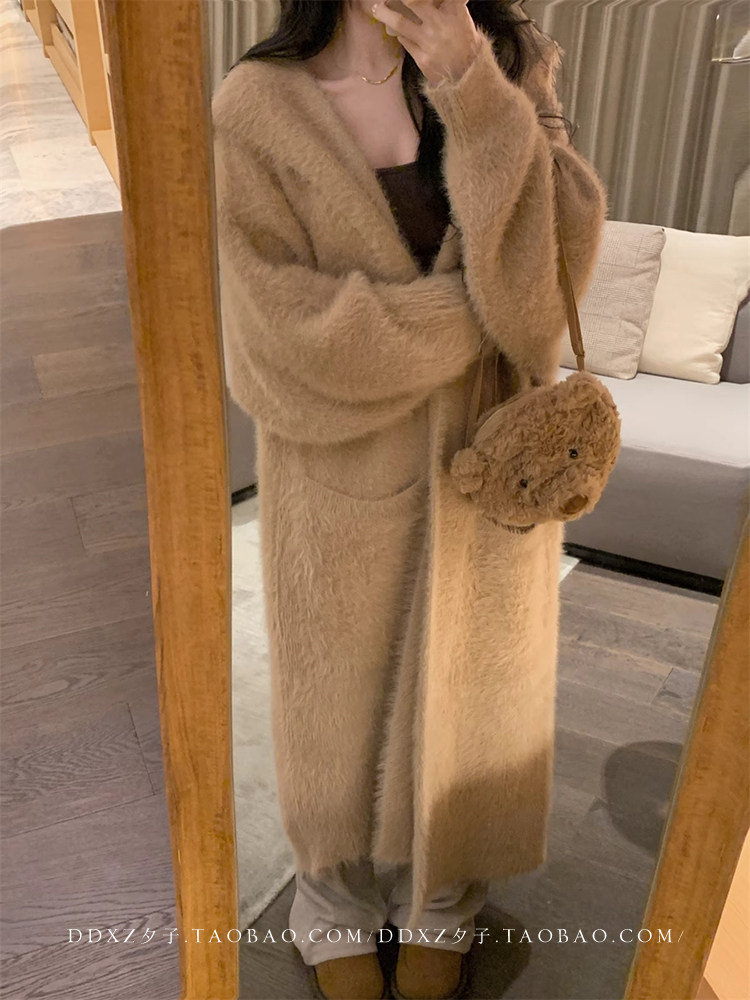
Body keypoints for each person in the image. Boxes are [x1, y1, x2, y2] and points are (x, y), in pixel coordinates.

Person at [211, 2, 608, 998]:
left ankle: (445, 899)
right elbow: (280, 338)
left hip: (490, 466)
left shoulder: (513, 63)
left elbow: (548, 291)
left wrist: (474, 89)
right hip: (338, 470)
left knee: (473, 703)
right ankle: (332, 901)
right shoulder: (259, 105)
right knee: (336, 706)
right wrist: (471, 317)